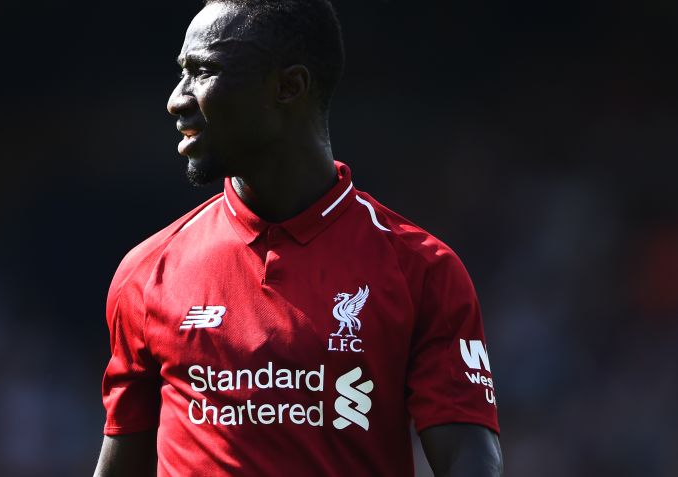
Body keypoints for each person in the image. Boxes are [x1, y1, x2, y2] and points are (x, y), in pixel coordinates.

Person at [94, 0, 502, 475]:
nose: (176, 99)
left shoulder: (422, 270)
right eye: (182, 72)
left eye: (203, 72)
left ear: (289, 86)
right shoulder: (148, 273)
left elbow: (470, 461)